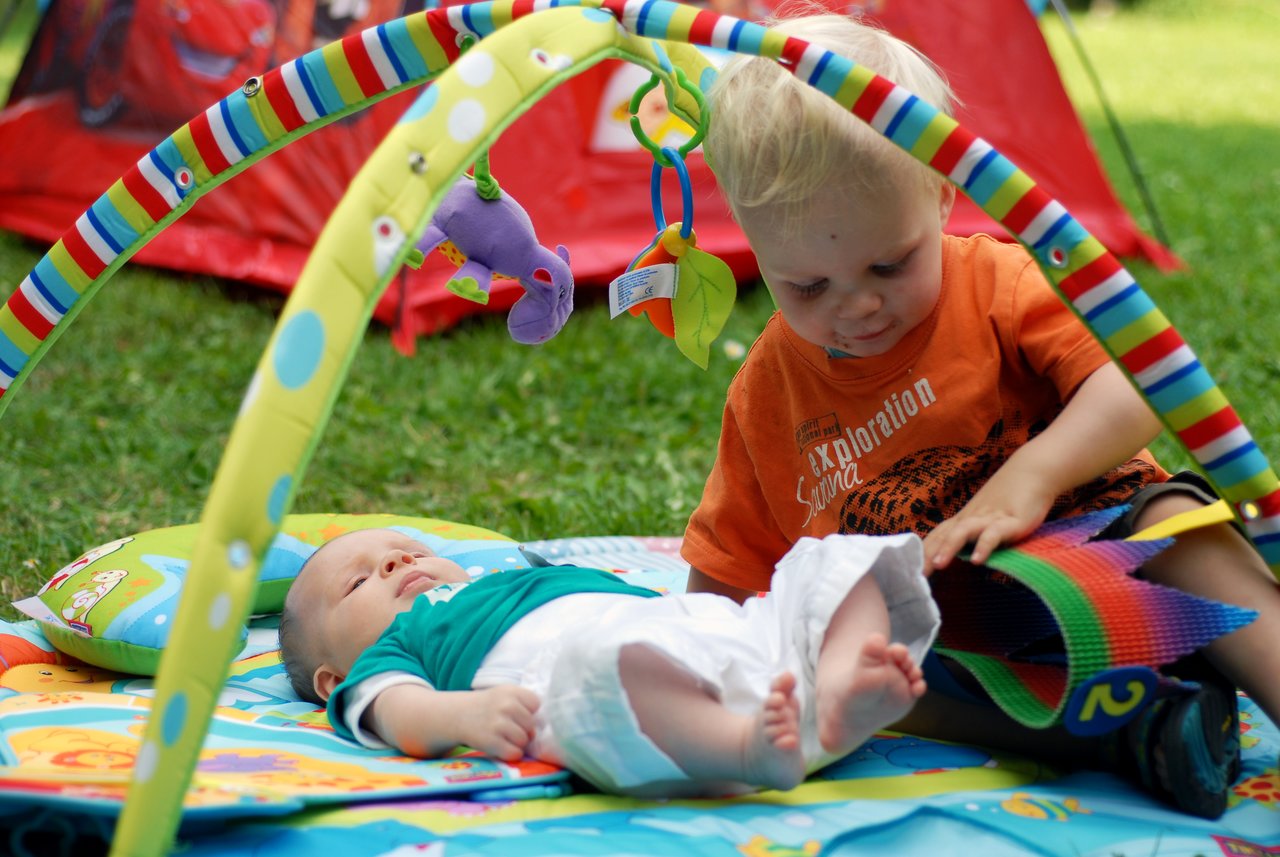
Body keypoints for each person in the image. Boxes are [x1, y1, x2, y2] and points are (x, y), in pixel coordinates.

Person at [682, 11, 1280, 819]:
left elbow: (1139, 387)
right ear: (750, 243)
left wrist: (1033, 476)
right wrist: (701, 667)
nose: (856, 306)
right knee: (858, 670)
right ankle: (1141, 730)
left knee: (1179, 520)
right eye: (807, 287)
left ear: (939, 191)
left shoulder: (994, 282)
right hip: (967, 636)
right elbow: (726, 575)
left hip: (1104, 550)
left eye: (888, 264)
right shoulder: (765, 389)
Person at [278, 526, 940, 797]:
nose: (396, 561)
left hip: (720, 636)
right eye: (358, 581)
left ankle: (846, 686)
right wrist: (467, 714)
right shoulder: (393, 651)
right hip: (626, 697)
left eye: (407, 549)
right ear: (335, 676)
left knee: (833, 560)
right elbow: (401, 712)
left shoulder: (512, 579)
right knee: (602, 663)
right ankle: (742, 748)